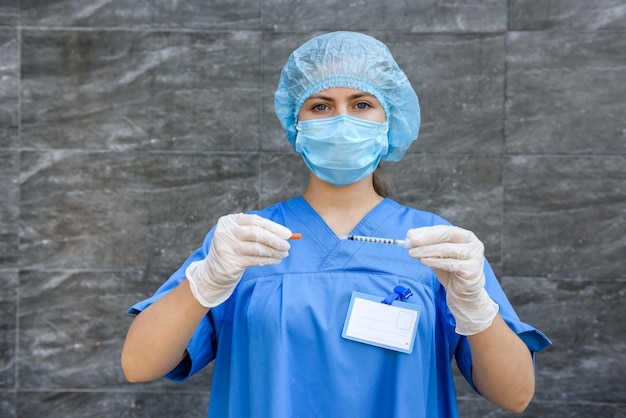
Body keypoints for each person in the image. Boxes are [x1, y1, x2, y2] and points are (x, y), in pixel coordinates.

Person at [121, 31, 551, 417]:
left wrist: (476, 306)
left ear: (389, 122)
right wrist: (205, 282)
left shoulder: (438, 247)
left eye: (361, 104)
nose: (341, 120)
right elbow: (139, 365)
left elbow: (514, 395)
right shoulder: (244, 242)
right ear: (297, 123)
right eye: (321, 105)